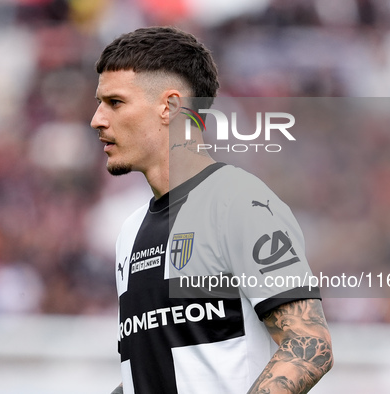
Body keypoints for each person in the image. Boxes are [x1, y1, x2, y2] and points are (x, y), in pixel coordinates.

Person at [90, 26, 333, 394]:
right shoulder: (130, 231)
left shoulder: (239, 203)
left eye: (115, 102)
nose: (97, 119)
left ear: (169, 107)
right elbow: (153, 373)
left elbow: (310, 346)